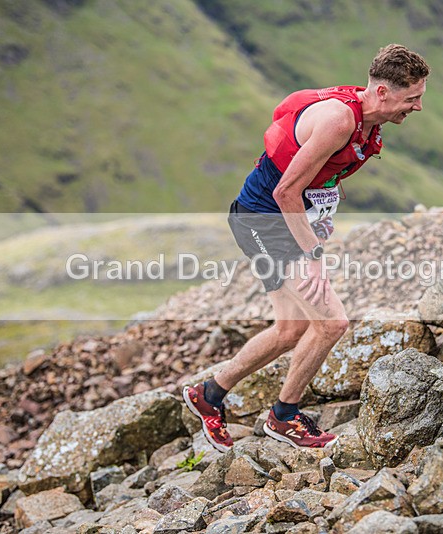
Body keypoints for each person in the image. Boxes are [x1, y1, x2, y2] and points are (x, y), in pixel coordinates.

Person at [184, 44, 430, 451]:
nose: (418, 107)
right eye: (413, 98)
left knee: (289, 329)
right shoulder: (339, 120)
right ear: (383, 93)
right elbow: (286, 192)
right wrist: (313, 257)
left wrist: (328, 191)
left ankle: (207, 395)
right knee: (332, 322)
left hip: (274, 216)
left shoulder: (366, 119)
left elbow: (313, 170)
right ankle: (283, 417)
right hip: (264, 218)